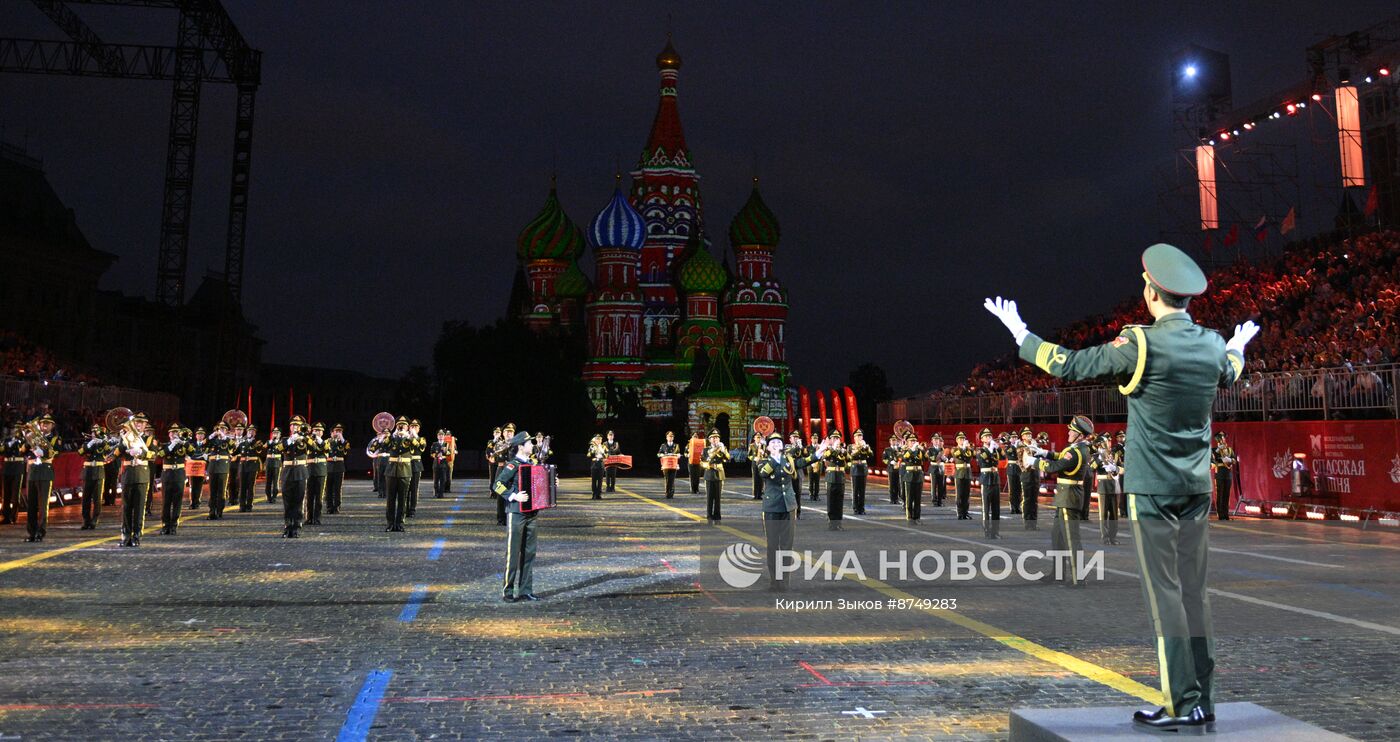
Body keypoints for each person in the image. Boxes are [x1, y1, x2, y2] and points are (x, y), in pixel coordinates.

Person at [984, 241, 1257, 732]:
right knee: (1195, 593)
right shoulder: (1214, 345)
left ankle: (1179, 702)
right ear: (1187, 299)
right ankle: (1201, 698)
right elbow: (1232, 367)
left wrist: (1020, 333)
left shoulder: (1141, 343)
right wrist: (1239, 343)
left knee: (1166, 597)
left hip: (1153, 488)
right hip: (1196, 487)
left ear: (1152, 293)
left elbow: (1069, 365)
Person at [756, 432, 829, 591]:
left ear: (783, 446)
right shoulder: (762, 461)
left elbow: (803, 461)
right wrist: (775, 458)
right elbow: (763, 473)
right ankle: (775, 581)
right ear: (768, 447)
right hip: (772, 508)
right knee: (773, 546)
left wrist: (818, 452)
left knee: (787, 545)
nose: (776, 444)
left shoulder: (789, 460)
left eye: (778, 442)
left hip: (789, 507)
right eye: (773, 443)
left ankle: (785, 582)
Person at [1036, 415, 1093, 582]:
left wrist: (1034, 461)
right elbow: (1061, 456)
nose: (1068, 432)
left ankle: (1078, 578)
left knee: (1071, 540)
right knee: (1058, 538)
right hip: (1065, 498)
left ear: (1080, 435)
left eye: (1072, 431)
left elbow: (1055, 466)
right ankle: (1058, 574)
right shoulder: (1077, 449)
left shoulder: (1075, 452)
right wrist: (1045, 452)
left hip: (1069, 498)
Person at [493, 431, 542, 602]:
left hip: (532, 513)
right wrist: (514, 496)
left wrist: (552, 483)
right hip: (516, 512)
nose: (532, 445)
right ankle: (508, 591)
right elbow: (497, 485)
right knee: (513, 553)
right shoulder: (512, 465)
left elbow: (539, 484)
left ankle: (525, 590)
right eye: (529, 443)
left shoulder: (533, 463)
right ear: (521, 446)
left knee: (529, 553)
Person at [117, 413, 156, 547]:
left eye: (141, 423)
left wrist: (141, 453)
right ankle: (125, 535)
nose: (138, 424)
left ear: (145, 425)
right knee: (126, 507)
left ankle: (136, 535)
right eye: (136, 422)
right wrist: (122, 440)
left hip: (141, 474)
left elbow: (153, 455)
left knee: (139, 507)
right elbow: (117, 453)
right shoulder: (127, 437)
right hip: (128, 474)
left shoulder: (149, 439)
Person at [23, 414, 61, 542]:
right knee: (31, 505)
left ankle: (41, 531)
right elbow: (22, 450)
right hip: (33, 471)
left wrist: (42, 451)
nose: (44, 425)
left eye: (47, 423)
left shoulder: (55, 438)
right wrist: (28, 440)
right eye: (42, 423)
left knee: (43, 505)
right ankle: (31, 532)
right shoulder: (34, 437)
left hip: (45, 471)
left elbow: (55, 453)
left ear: (52, 425)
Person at [80, 424, 115, 530]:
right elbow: (80, 452)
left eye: (96, 432)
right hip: (88, 472)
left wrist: (103, 442)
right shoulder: (87, 443)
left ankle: (95, 519)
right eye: (93, 432)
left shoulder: (102, 444)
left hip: (99, 472)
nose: (94, 434)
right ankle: (86, 520)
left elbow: (109, 451)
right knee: (85, 498)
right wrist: (90, 443)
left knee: (97, 498)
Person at [280, 416, 310, 538]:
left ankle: (296, 526)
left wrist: (306, 437)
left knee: (298, 500)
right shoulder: (286, 439)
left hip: (300, 472)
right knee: (287, 501)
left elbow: (317, 447)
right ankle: (287, 526)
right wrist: (291, 440)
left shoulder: (306, 440)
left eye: (298, 425)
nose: (295, 427)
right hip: (287, 472)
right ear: (290, 427)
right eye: (293, 425)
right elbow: (278, 448)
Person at [159, 425, 191, 535]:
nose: (174, 435)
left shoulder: (182, 446)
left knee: (177, 501)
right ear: (169, 435)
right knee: (166, 502)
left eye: (176, 433)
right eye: (172, 433)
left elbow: (193, 451)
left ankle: (174, 525)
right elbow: (160, 455)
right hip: (167, 475)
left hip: (179, 475)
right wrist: (172, 445)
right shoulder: (165, 445)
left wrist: (184, 443)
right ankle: (165, 525)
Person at [384, 417, 414, 532]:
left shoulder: (411, 438)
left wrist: (410, 435)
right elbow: (384, 446)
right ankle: (390, 523)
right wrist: (393, 435)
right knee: (390, 499)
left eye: (404, 425)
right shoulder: (392, 438)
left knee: (402, 499)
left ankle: (400, 523)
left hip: (405, 471)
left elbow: (418, 447)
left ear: (407, 427)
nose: (401, 427)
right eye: (399, 425)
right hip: (391, 471)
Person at [975, 428, 1004, 539]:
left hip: (995, 478)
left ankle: (995, 531)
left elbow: (1003, 457)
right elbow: (985, 460)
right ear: (982, 439)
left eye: (990, 436)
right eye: (986, 437)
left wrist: (999, 449)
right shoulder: (979, 450)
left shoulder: (995, 449)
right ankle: (987, 530)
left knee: (996, 508)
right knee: (986, 508)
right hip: (986, 479)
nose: (989, 438)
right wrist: (992, 449)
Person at [1094, 433, 1122, 545]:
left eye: (1109, 441)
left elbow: (1121, 467)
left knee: (1114, 515)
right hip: (1104, 486)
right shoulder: (1096, 455)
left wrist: (1115, 468)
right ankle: (1105, 538)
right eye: (1106, 441)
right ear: (1100, 444)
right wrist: (1099, 459)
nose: (1108, 443)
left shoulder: (1113, 454)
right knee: (1103, 515)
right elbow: (1091, 467)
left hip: (1114, 485)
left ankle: (1113, 537)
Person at [205, 422, 233, 519]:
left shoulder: (227, 440)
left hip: (223, 468)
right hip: (213, 467)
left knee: (221, 491)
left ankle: (219, 510)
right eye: (219, 429)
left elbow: (234, 446)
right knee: (212, 491)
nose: (220, 430)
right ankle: (211, 512)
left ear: (226, 431)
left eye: (223, 429)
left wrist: (224, 436)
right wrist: (213, 435)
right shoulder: (213, 440)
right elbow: (204, 444)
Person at [823, 430, 849, 531]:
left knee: (839, 501)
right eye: (834, 438)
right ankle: (832, 522)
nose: (836, 440)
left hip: (840, 477)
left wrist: (843, 451)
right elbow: (826, 456)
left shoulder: (842, 449)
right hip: (831, 477)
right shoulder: (827, 449)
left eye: (837, 438)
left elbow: (849, 458)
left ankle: (838, 522)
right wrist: (834, 448)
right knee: (831, 501)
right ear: (830, 439)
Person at [701, 431, 729, 523]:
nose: (715, 439)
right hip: (709, 474)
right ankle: (709, 515)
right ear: (709, 440)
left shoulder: (722, 448)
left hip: (719, 474)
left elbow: (728, 458)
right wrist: (709, 466)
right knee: (709, 496)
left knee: (718, 497)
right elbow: (702, 462)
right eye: (713, 438)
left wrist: (723, 451)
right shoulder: (706, 450)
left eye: (717, 438)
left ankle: (717, 515)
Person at [1, 425, 26, 525]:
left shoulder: (23, 440)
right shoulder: (6, 440)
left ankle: (13, 516)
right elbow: (1, 451)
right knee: (5, 494)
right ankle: (6, 516)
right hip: (7, 467)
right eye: (14, 429)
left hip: (17, 467)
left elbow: (23, 451)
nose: (14, 431)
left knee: (15, 494)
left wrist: (17, 443)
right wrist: (5, 443)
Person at [304, 423, 328, 525]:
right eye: (315, 430)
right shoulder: (307, 441)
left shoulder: (325, 441)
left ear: (322, 432)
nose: (317, 432)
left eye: (319, 431)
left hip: (320, 471)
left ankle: (317, 517)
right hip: (309, 470)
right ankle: (309, 517)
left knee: (319, 496)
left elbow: (326, 448)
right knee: (309, 496)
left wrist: (318, 439)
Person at [237, 424, 264, 512]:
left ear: (255, 433)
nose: (250, 432)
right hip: (243, 466)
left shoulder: (258, 442)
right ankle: (242, 505)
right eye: (249, 431)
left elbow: (260, 452)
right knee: (242, 486)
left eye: (252, 431)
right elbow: (234, 452)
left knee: (250, 486)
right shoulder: (242, 443)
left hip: (252, 466)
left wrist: (252, 442)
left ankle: (249, 505)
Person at [899, 434, 926, 523]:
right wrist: (912, 449)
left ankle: (917, 516)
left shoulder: (919, 450)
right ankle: (910, 516)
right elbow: (905, 457)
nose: (913, 442)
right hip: (909, 475)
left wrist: (923, 450)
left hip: (918, 475)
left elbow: (926, 459)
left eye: (914, 441)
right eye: (911, 441)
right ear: (907, 442)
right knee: (909, 497)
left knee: (918, 498)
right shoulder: (905, 450)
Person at [1018, 428, 1041, 530]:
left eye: (1030, 434)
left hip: (1035, 473)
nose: (1029, 436)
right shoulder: (1021, 447)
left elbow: (1039, 457)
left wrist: (1036, 447)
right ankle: (1027, 522)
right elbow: (1022, 461)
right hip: (1026, 473)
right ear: (1022, 437)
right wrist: (1033, 447)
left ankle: (1034, 522)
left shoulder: (1035, 445)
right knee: (1027, 499)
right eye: (1026, 435)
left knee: (1034, 499)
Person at [1211, 432, 1235, 521]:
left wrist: (1230, 459)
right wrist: (1217, 450)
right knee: (1219, 494)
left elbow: (1234, 460)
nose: (1223, 440)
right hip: (1220, 474)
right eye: (1221, 438)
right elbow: (1213, 459)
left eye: (1224, 438)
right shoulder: (1214, 450)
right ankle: (1220, 515)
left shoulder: (1229, 449)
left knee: (1226, 495)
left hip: (1228, 474)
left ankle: (1226, 514)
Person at [848, 429, 872, 515]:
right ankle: (855, 508)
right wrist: (858, 449)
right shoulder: (851, 446)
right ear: (854, 438)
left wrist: (865, 447)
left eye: (860, 436)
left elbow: (871, 455)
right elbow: (850, 457)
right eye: (857, 436)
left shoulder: (865, 446)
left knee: (862, 491)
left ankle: (861, 508)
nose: (859, 437)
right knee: (855, 490)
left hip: (863, 469)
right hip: (855, 469)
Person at [950, 432, 974, 519]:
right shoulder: (954, 449)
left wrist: (967, 448)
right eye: (960, 439)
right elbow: (959, 456)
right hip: (959, 473)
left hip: (967, 472)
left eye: (963, 439)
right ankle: (960, 513)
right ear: (957, 441)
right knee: (960, 494)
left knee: (967, 494)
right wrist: (964, 448)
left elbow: (969, 458)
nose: (962, 440)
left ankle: (966, 512)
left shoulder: (969, 449)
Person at [327, 424, 349, 513]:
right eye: (336, 431)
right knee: (328, 489)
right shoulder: (326, 442)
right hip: (328, 467)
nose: (338, 433)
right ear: (332, 433)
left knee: (337, 488)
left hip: (339, 467)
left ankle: (337, 506)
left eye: (340, 431)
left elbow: (347, 449)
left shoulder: (344, 442)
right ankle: (329, 507)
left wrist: (342, 438)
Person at [406, 419, 427, 517]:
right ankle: (404, 509)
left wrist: (415, 436)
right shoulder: (406, 438)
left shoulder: (421, 439)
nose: (413, 428)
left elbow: (421, 448)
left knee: (414, 488)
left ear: (419, 429)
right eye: (412, 427)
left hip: (416, 465)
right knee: (405, 489)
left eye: (415, 427)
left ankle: (412, 509)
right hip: (405, 464)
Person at [187, 427, 208, 510]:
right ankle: (192, 502)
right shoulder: (191, 445)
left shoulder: (206, 445)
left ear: (204, 436)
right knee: (191, 486)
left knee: (199, 485)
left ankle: (197, 502)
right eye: (198, 434)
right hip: (192, 468)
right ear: (195, 436)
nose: (200, 436)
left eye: (202, 434)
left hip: (201, 468)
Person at [657, 431, 681, 498]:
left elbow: (678, 453)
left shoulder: (676, 446)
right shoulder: (663, 445)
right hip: (666, 464)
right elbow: (658, 454)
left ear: (673, 438)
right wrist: (662, 454)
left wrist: (678, 455)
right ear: (666, 437)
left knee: (672, 478)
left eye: (672, 436)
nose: (670, 438)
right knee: (667, 478)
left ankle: (672, 492)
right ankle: (667, 492)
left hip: (673, 464)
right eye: (669, 436)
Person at [927, 433, 948, 507]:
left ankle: (940, 500)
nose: (936, 441)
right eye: (935, 440)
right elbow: (931, 458)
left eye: (938, 440)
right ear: (932, 441)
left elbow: (945, 459)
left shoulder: (942, 449)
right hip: (934, 468)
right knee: (934, 485)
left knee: (941, 485)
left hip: (941, 468)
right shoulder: (930, 449)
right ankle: (934, 500)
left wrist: (945, 458)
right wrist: (939, 456)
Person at [431, 429, 452, 499]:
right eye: (439, 435)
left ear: (444, 436)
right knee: (436, 480)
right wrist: (437, 455)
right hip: (436, 463)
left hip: (444, 463)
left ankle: (441, 493)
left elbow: (449, 453)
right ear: (437, 436)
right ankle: (436, 493)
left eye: (442, 435)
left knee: (443, 479)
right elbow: (431, 453)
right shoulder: (434, 444)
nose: (441, 436)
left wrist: (446, 451)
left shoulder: (446, 444)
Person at [264, 427, 283, 504]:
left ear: (280, 434)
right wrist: (272, 441)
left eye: (277, 433)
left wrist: (276, 442)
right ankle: (268, 496)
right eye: (274, 433)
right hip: (269, 463)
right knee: (268, 481)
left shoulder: (281, 442)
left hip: (276, 463)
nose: (275, 434)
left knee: (276, 481)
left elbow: (280, 449)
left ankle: (274, 496)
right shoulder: (269, 441)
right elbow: (264, 447)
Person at [368, 428, 389, 498]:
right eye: (384, 432)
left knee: (387, 477)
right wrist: (380, 439)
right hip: (380, 459)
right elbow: (372, 449)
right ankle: (380, 492)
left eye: (387, 432)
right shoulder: (378, 440)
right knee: (380, 476)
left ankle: (386, 493)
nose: (386, 433)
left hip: (389, 459)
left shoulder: (391, 440)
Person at [883, 435, 902, 504]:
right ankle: (892, 498)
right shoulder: (887, 450)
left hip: (899, 469)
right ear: (890, 441)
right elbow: (884, 459)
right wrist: (890, 462)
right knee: (892, 484)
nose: (894, 442)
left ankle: (897, 498)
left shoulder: (900, 449)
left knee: (898, 484)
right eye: (892, 440)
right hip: (891, 469)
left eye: (895, 440)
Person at [587, 434, 607, 500]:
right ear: (595, 440)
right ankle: (594, 494)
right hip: (594, 465)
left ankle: (599, 494)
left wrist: (602, 452)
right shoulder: (592, 446)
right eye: (597, 439)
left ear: (601, 440)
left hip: (601, 464)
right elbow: (588, 455)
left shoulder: (603, 446)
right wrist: (593, 450)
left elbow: (607, 455)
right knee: (594, 480)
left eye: (600, 439)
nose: (598, 440)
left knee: (600, 481)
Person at [806, 434, 824, 502]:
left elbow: (822, 457)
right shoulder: (808, 447)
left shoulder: (820, 447)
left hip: (818, 465)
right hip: (810, 466)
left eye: (816, 438)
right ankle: (811, 495)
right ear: (811, 439)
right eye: (813, 438)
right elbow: (806, 456)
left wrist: (819, 449)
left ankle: (816, 495)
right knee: (811, 481)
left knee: (817, 481)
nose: (815, 440)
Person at [747, 432, 764, 500]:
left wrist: (763, 453)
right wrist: (754, 458)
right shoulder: (752, 445)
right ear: (754, 438)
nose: (758, 439)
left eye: (759, 437)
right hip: (754, 463)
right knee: (755, 478)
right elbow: (749, 455)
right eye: (757, 437)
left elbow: (767, 454)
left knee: (761, 478)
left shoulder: (763, 445)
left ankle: (760, 494)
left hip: (762, 463)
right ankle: (755, 494)